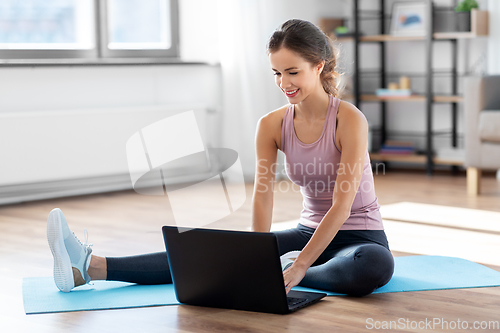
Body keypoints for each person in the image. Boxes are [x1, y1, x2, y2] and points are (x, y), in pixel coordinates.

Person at [47, 19, 394, 297]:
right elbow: (263, 193)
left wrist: (301, 265)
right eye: (276, 72)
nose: (283, 82)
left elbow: (343, 205)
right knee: (213, 253)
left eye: (293, 72)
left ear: (318, 67)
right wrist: (257, 255)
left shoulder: (348, 119)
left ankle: (289, 271)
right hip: (307, 231)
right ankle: (89, 267)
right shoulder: (272, 125)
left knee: (370, 267)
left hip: (360, 239)